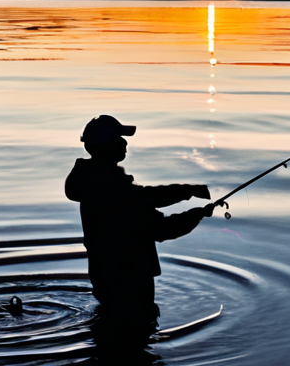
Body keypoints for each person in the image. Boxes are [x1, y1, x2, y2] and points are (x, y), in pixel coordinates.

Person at [65, 115, 214, 341]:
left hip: (103, 276)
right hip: (130, 279)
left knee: (110, 335)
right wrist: (197, 213)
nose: (125, 144)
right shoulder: (116, 192)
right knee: (136, 338)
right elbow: (160, 228)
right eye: (119, 139)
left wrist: (187, 191)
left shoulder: (92, 183)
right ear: (105, 147)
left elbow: (144, 197)